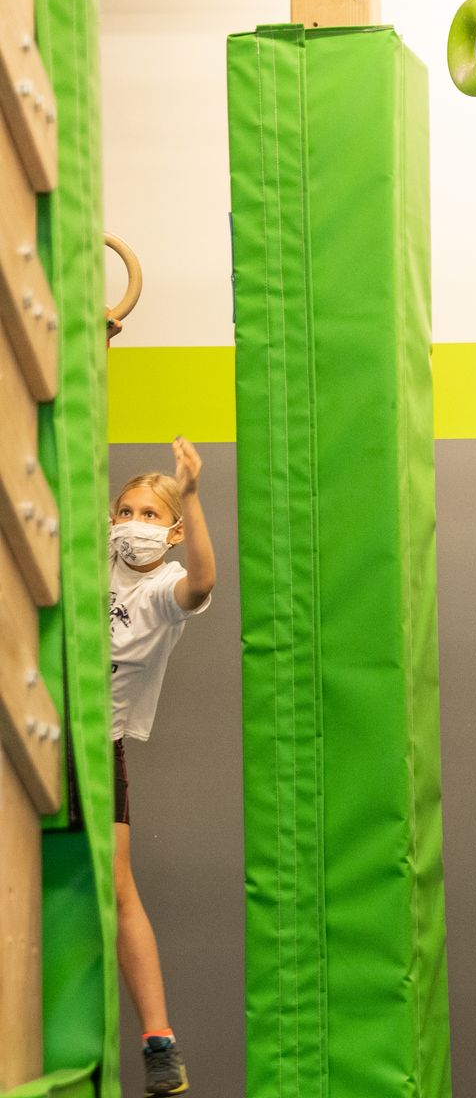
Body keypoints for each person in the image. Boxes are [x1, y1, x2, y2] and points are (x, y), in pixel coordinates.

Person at [108, 437, 215, 1096]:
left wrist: (193, 498)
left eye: (150, 515)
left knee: (120, 888)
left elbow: (202, 580)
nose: (133, 524)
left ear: (171, 532)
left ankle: (158, 1042)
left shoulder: (160, 591)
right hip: (31, 739)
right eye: (125, 510)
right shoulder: (91, 561)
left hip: (96, 749)